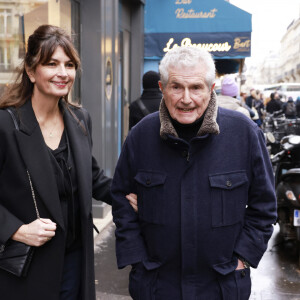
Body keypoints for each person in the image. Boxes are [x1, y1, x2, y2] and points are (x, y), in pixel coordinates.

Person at [111, 46, 277, 300]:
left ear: (211, 90)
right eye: (176, 86)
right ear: (162, 88)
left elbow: (264, 206)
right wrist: (137, 258)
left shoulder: (244, 134)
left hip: (222, 286)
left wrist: (243, 257)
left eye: (196, 88)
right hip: (156, 286)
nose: (186, 98)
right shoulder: (141, 136)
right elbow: (121, 198)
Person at [0, 24, 136, 300]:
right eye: (52, 64)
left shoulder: (79, 119)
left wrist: (130, 194)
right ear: (30, 71)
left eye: (69, 64)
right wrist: (15, 229)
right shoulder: (5, 124)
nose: (63, 73)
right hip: (27, 266)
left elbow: (92, 177)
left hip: (76, 259)